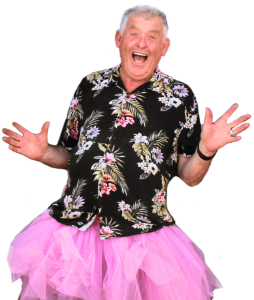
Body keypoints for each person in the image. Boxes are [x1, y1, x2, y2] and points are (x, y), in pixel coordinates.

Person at [3, 4, 251, 300]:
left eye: (152, 37)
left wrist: (206, 149)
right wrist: (43, 153)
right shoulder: (89, 85)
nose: (141, 43)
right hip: (73, 233)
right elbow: (70, 155)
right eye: (134, 34)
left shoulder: (182, 96)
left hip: (141, 238)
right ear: (118, 39)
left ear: (164, 46)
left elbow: (190, 177)